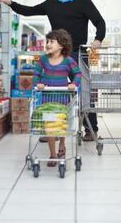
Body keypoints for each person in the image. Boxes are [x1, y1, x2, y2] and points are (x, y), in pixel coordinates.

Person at [0, 0, 105, 141]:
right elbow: (29, 10)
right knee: (52, 90)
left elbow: (100, 22)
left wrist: (98, 39)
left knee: (84, 92)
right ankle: (52, 130)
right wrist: (11, 3)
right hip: (56, 53)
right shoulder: (51, 3)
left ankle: (90, 130)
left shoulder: (83, 1)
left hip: (78, 52)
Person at [33, 29, 81, 167]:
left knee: (61, 125)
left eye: (51, 42)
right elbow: (36, 74)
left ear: (61, 45)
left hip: (63, 98)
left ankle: (62, 143)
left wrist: (73, 84)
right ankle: (53, 154)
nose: (48, 44)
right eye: (47, 41)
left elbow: (77, 74)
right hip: (47, 99)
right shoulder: (43, 59)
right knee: (50, 127)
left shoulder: (68, 60)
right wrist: (38, 84)